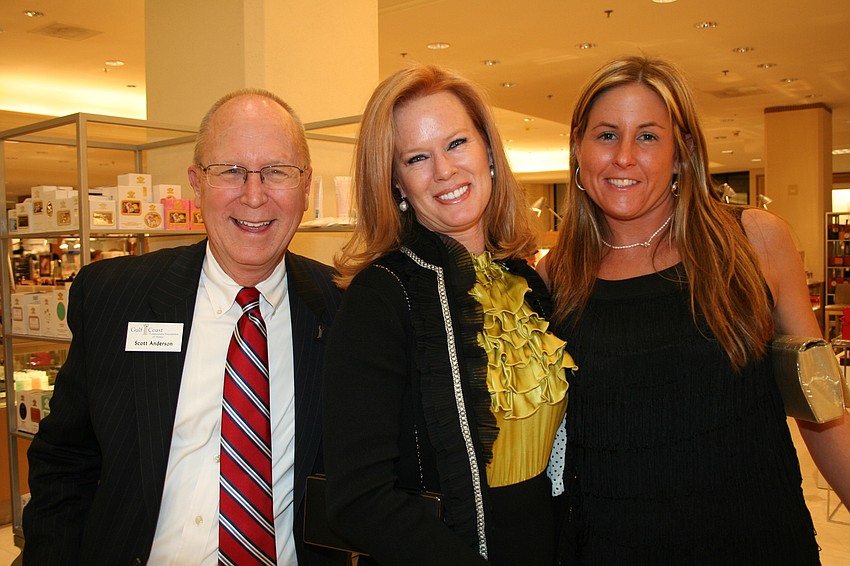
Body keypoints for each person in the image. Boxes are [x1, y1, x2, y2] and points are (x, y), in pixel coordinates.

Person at [539, 55, 850, 564]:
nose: (623, 157)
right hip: (608, 545)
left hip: (754, 541)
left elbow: (820, 407)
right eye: (606, 135)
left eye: (647, 136)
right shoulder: (555, 278)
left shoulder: (753, 242)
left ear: (682, 153)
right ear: (578, 148)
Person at [23, 88, 345, 565]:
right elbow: (65, 464)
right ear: (196, 182)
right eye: (230, 170)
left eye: (277, 171)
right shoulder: (114, 297)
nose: (254, 195)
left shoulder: (344, 310)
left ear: (306, 185)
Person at [320, 64, 576, 566]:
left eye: (456, 143)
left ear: (487, 150)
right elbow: (358, 499)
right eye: (417, 157)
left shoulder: (526, 282)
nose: (444, 171)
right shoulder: (381, 295)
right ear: (395, 182)